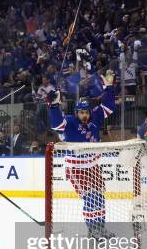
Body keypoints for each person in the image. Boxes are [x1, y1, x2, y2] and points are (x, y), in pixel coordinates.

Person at [48, 71, 115, 237]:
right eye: (81, 113)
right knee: (91, 198)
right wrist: (54, 106)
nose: (84, 115)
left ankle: (101, 228)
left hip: (94, 166)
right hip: (76, 169)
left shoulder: (95, 118)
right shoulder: (70, 122)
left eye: (86, 113)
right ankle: (93, 231)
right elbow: (57, 125)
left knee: (99, 197)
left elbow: (108, 106)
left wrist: (110, 87)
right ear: (76, 113)